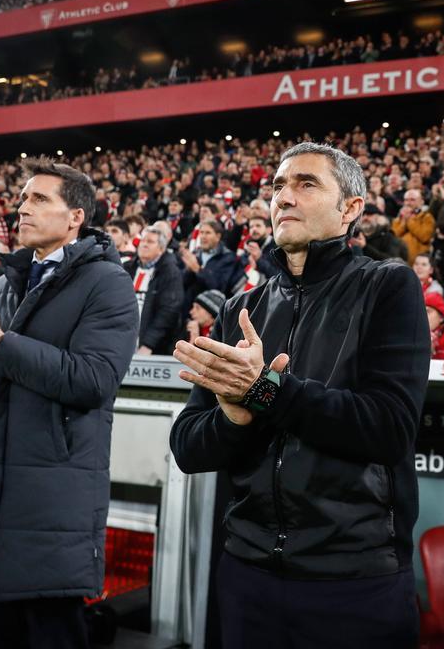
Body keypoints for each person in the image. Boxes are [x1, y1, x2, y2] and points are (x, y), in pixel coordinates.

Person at [169, 142, 428, 649]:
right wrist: (234, 418)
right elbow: (187, 447)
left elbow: (389, 428)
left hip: (354, 581)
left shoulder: (388, 286)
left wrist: (265, 391)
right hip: (247, 574)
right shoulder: (240, 307)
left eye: (306, 184)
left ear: (350, 208)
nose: (284, 197)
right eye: (278, 186)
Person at [0, 157, 137, 648]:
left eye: (38, 199)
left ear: (75, 217)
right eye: (23, 198)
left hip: (53, 510)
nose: (22, 208)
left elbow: (94, 380)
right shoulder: (4, 284)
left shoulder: (108, 283)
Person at [126, 225, 185, 355]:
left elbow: (168, 311)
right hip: (121, 342)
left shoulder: (170, 272)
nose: (144, 245)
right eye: (143, 241)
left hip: (152, 349)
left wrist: (148, 343)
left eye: (150, 242)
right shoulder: (127, 268)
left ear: (161, 249)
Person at [392, 188, 435, 263]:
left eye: (412, 200)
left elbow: (425, 237)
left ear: (421, 202)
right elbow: (393, 237)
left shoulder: (427, 217)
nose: (408, 203)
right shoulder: (398, 219)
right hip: (398, 261)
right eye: (406, 200)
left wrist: (408, 220)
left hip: (418, 263)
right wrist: (403, 223)